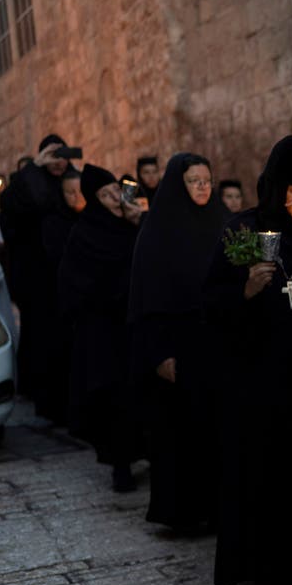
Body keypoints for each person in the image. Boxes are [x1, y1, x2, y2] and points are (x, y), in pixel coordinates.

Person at [203, 136, 292, 585]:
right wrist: (245, 292)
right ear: (276, 189)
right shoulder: (242, 230)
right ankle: (266, 573)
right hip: (259, 382)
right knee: (264, 479)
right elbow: (211, 304)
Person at [128, 153, 226, 530]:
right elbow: (146, 298)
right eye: (193, 181)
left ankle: (217, 508)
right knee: (180, 431)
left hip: (215, 342)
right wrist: (159, 352)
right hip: (177, 345)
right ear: (177, 185)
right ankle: (183, 511)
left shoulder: (221, 222)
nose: (202, 187)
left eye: (206, 179)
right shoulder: (157, 230)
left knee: (213, 429)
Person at [58, 164, 144, 492]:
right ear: (94, 199)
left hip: (131, 325)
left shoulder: (130, 226)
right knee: (112, 399)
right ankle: (119, 464)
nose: (113, 198)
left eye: (115, 191)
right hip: (102, 332)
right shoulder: (84, 234)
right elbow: (73, 283)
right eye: (106, 194)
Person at [0, 134, 76, 416]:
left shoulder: (71, 181)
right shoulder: (30, 182)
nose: (58, 163)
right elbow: (13, 203)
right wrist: (35, 166)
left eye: (62, 155)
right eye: (52, 156)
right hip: (39, 280)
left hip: (66, 277)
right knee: (44, 341)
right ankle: (48, 402)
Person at [39, 167, 87, 425]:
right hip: (63, 302)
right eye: (69, 192)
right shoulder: (54, 222)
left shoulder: (93, 219)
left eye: (79, 191)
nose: (75, 197)